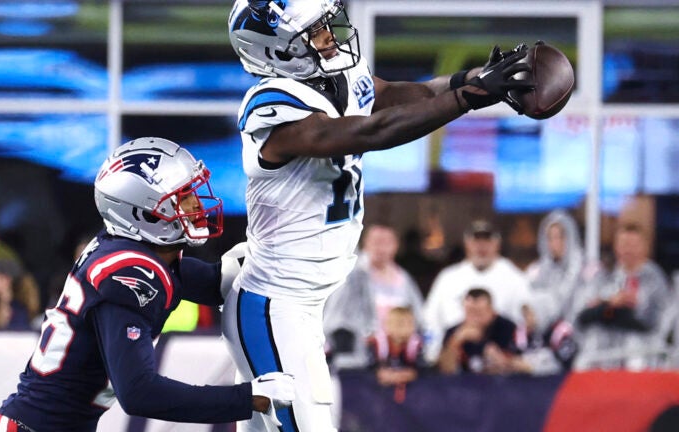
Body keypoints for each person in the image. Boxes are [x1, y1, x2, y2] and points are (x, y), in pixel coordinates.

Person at [223, 1, 534, 430]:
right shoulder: (269, 104)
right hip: (277, 301)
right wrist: (464, 100)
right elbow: (370, 131)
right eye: (315, 32)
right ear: (278, 52)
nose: (330, 36)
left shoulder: (337, 75)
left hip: (311, 297)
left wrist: (473, 80)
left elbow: (399, 96)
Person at [0, 137, 295, 432]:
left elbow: (213, 283)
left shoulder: (141, 254)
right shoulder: (128, 273)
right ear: (144, 213)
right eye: (183, 197)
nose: (197, 205)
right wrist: (249, 398)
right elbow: (139, 393)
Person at [423, 219, 532, 363]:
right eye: (476, 241)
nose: (481, 246)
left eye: (487, 241)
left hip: (501, 358)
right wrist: (432, 355)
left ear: (497, 244)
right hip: (456, 357)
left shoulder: (515, 277)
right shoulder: (448, 277)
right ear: (467, 244)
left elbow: (526, 323)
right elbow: (430, 320)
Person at [323, 224, 426, 369]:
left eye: (386, 243)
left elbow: (420, 319)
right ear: (366, 243)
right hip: (358, 362)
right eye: (376, 242)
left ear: (396, 246)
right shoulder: (352, 276)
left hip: (398, 358)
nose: (381, 248)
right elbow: (334, 321)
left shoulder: (404, 279)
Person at [573, 223, 673, 371]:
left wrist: (619, 308)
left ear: (645, 247)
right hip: (604, 354)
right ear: (616, 246)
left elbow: (655, 323)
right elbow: (583, 316)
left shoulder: (655, 280)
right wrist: (608, 306)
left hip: (642, 354)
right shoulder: (605, 276)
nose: (628, 249)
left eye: (633, 244)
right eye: (624, 244)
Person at [437, 288, 523, 375]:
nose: (474, 319)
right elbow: (446, 370)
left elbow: (527, 364)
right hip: (465, 385)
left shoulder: (512, 329)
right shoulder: (454, 332)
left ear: (491, 310)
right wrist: (456, 341)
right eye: (470, 312)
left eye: (479, 313)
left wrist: (501, 358)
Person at [524, 210, 585, 331]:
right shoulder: (536, 270)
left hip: (576, 332)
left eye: (559, 237)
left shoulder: (584, 270)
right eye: (550, 238)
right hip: (544, 332)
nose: (554, 243)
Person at [366, 306, 426, 403]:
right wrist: (379, 374)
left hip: (410, 397)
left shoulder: (416, 344)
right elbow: (366, 368)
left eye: (410, 324)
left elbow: (423, 368)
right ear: (387, 325)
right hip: (377, 396)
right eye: (400, 324)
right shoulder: (376, 343)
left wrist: (409, 374)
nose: (406, 328)